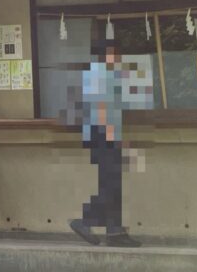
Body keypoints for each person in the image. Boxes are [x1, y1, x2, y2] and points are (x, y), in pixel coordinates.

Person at [68, 37, 153, 248]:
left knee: (113, 184)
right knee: (111, 184)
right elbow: (102, 110)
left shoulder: (105, 75)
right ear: (105, 54)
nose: (118, 57)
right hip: (103, 134)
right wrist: (115, 137)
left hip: (101, 134)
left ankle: (115, 232)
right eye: (114, 53)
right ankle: (84, 221)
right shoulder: (100, 74)